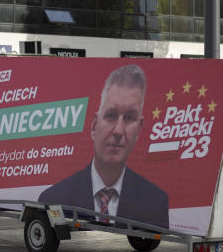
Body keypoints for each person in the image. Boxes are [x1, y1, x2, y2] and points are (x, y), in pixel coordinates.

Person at [38, 65, 169, 228]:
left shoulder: (156, 201)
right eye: (111, 115)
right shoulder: (54, 198)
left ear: (139, 129)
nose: (119, 131)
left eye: (129, 117)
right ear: (94, 126)